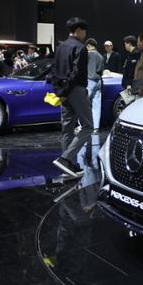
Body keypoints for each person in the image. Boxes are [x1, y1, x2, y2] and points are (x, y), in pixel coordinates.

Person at [50, 17, 93, 177]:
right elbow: (76, 73)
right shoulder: (81, 47)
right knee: (88, 126)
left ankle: (69, 167)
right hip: (75, 90)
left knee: (67, 128)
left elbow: (54, 70)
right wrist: (66, 90)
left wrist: (59, 92)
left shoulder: (60, 46)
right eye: (84, 31)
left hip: (63, 91)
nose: (85, 34)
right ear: (79, 30)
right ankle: (66, 159)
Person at [85, 38, 104, 131]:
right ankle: (96, 127)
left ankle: (85, 125)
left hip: (89, 81)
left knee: (84, 104)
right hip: (98, 81)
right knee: (97, 105)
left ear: (88, 45)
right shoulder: (100, 56)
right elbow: (101, 70)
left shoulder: (87, 55)